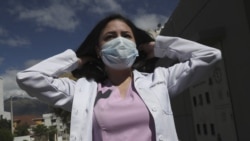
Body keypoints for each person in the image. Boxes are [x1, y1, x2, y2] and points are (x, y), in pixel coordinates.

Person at [16, 14, 221, 141]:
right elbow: (29, 78)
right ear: (98, 49)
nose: (120, 41)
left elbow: (210, 56)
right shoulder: (83, 91)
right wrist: (78, 60)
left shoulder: (159, 80)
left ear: (136, 44)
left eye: (126, 36)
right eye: (110, 37)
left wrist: (157, 46)